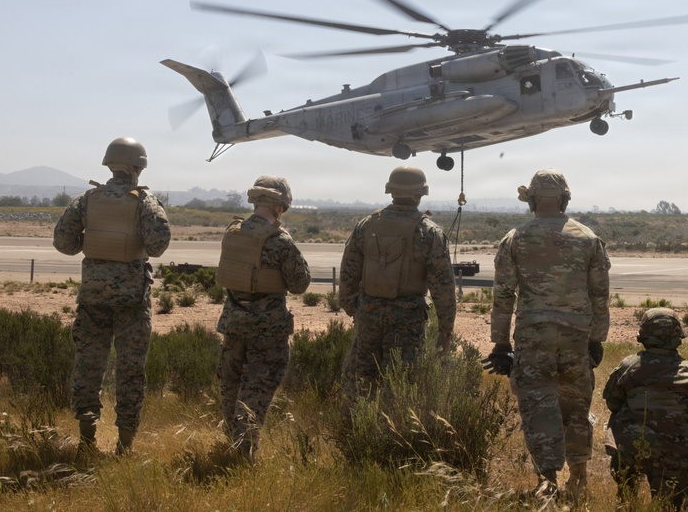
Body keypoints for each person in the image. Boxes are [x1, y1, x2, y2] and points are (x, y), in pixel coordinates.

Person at [485, 169, 610, 501]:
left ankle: (547, 479)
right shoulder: (587, 238)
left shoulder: (515, 238)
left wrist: (500, 342)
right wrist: (597, 338)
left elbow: (503, 296)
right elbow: (600, 294)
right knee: (576, 405)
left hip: (533, 338)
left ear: (533, 201)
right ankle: (580, 477)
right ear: (565, 199)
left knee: (539, 403)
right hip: (577, 338)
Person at [52, 137, 171, 455]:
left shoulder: (87, 200)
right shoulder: (144, 202)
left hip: (92, 301)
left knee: (89, 367)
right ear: (138, 168)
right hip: (132, 303)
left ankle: (87, 439)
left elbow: (63, 242)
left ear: (109, 165)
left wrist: (92, 241)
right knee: (130, 371)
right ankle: (125, 444)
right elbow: (158, 245)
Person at [339, 166, 456, 399]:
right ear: (419, 194)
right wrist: (445, 329)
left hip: (369, 313)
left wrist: (358, 309)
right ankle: (393, 433)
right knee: (401, 386)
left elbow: (348, 273)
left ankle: (354, 432)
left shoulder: (366, 225)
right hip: (409, 320)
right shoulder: (429, 232)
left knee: (360, 384)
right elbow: (442, 287)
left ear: (391, 191)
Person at [215, 175, 310, 460]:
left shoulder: (232, 232)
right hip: (268, 333)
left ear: (255, 201)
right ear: (281, 206)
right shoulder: (281, 241)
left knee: (230, 389)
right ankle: (243, 457)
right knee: (255, 395)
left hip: (233, 326)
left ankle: (233, 446)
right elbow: (300, 284)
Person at [603, 308, 688, 509]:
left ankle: (627, 497)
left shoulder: (628, 367)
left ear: (643, 335)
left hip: (632, 450)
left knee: (626, 500)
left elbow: (612, 403)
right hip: (676, 455)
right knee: (675, 504)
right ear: (678, 336)